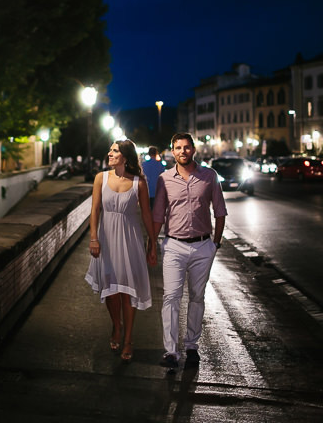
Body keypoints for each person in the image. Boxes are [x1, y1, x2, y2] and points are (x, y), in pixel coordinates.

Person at [151, 132, 227, 370]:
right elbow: (158, 215)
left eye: (186, 147)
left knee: (196, 297)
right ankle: (171, 352)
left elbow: (220, 211)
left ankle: (192, 346)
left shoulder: (209, 176)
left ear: (193, 150)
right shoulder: (164, 179)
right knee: (171, 297)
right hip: (174, 245)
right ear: (172, 152)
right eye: (177, 148)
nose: (182, 151)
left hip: (203, 245)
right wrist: (152, 244)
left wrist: (215, 243)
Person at [85, 139, 156, 362]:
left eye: (114, 151)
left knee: (128, 291)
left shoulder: (139, 183)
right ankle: (117, 325)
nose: (109, 153)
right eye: (110, 150)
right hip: (106, 240)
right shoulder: (101, 178)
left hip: (130, 240)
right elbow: (94, 210)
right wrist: (94, 238)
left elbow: (146, 215)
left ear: (125, 157)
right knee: (110, 289)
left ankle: (128, 339)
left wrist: (152, 243)